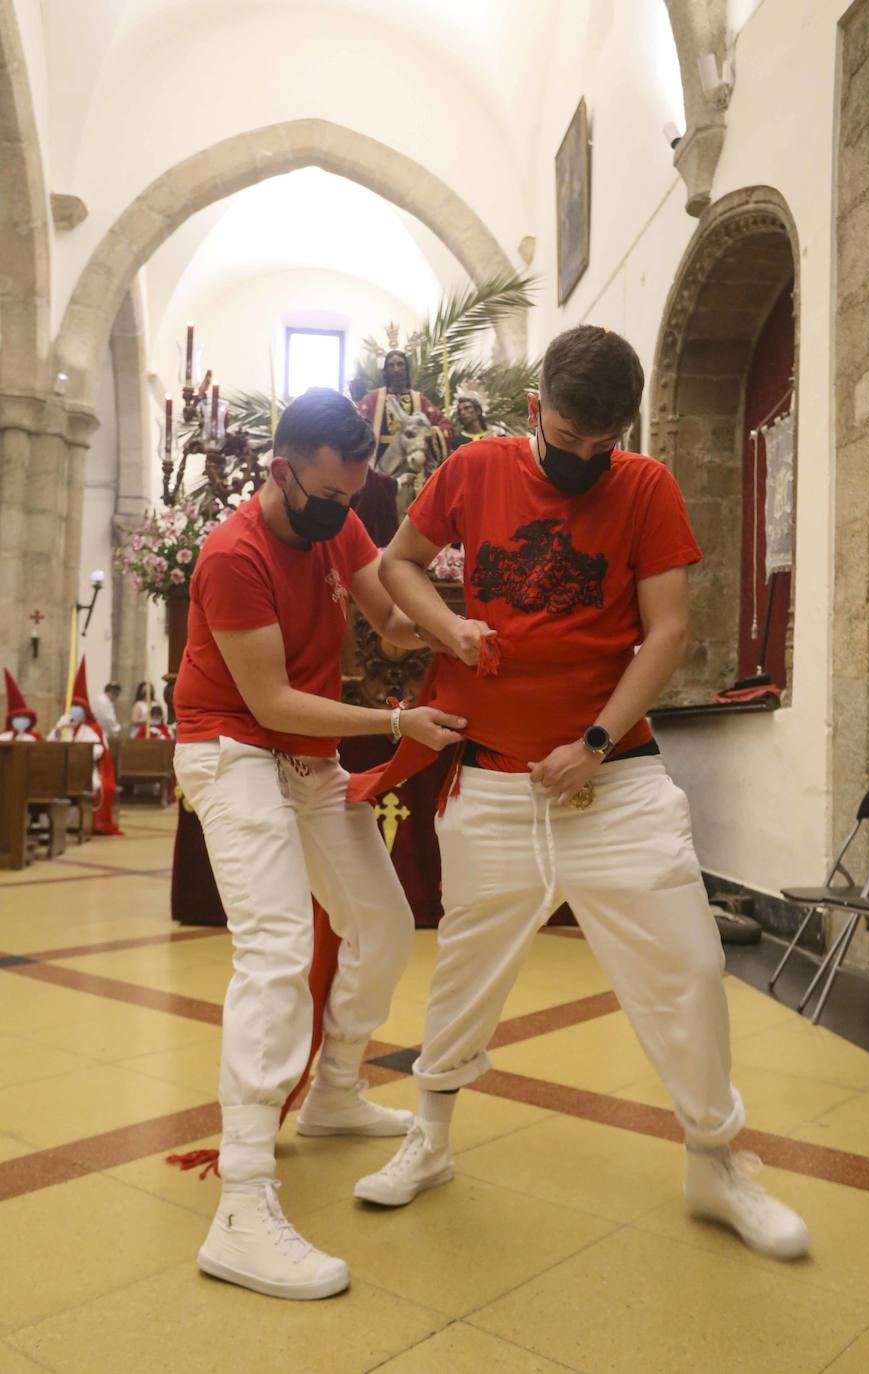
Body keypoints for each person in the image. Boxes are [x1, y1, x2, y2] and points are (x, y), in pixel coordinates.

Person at [353, 325, 810, 1262]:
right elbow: (399, 565)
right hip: (491, 778)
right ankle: (430, 1141)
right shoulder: (475, 470)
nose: (585, 461)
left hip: (616, 777)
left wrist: (597, 743)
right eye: (569, 440)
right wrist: (450, 629)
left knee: (685, 966)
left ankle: (716, 1162)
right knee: (467, 970)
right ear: (534, 413)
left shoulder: (644, 486)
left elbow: (668, 631)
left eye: (604, 445)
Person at [172, 387, 465, 1303]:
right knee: (276, 949)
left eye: (356, 496)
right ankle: (243, 1201)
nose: (345, 515)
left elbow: (392, 618)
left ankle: (335, 1092)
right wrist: (395, 717)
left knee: (381, 923)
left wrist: (467, 635)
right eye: (330, 498)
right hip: (230, 748)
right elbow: (271, 705)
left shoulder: (337, 522)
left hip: (302, 759)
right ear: (279, 470)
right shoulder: (232, 555)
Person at [50, 658, 122, 835]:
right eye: (72, 706)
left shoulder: (92, 729)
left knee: (97, 785)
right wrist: (59, 729)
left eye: (78, 707)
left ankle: (89, 822)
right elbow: (50, 744)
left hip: (84, 769)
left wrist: (80, 755)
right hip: (60, 769)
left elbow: (98, 750)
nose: (75, 710)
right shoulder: (64, 725)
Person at [356, 350, 453, 471]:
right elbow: (355, 424)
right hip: (378, 462)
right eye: (391, 365)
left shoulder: (420, 400)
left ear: (406, 369)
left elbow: (445, 425)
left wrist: (428, 433)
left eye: (400, 364)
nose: (396, 369)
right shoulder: (373, 399)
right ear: (386, 371)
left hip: (413, 462)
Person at [1, 669, 43, 740]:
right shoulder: (4, 737)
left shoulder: (34, 738)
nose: (21, 720)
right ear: (11, 720)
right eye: (18, 716)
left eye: (24, 717)